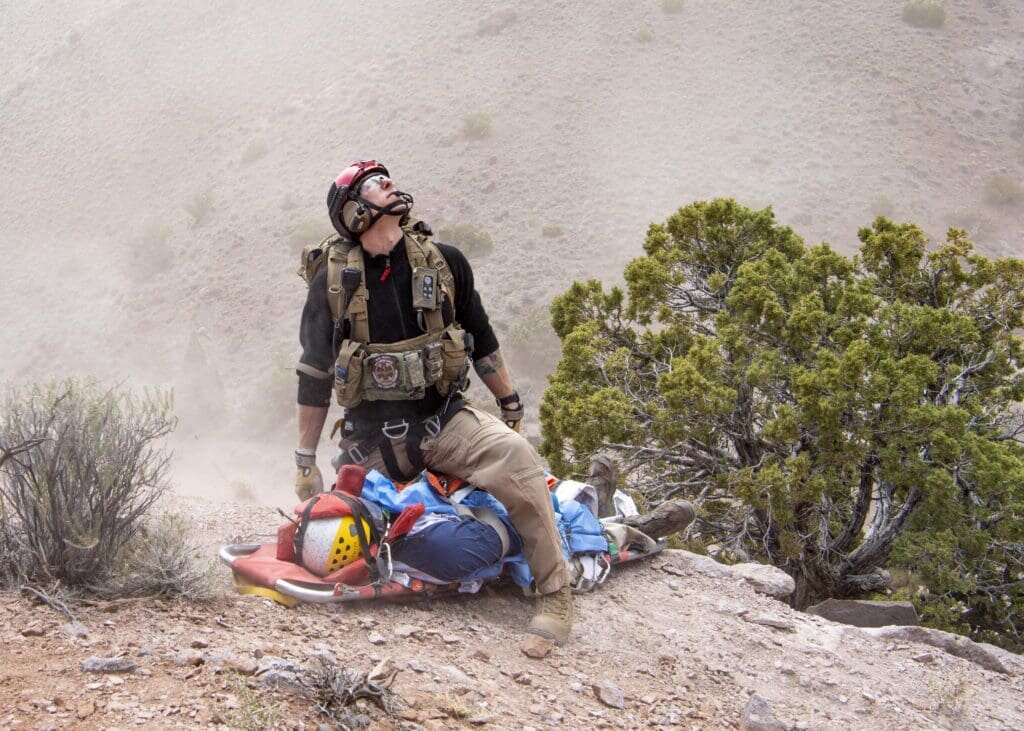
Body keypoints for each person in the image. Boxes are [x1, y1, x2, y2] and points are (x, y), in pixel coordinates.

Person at [292, 160, 573, 647]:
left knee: (515, 456)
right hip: (370, 445)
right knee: (336, 536)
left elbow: (481, 338)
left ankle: (554, 593)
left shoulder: (445, 263)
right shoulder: (332, 284)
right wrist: (303, 459)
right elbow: (314, 374)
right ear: (354, 211)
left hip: (444, 422)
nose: (391, 185)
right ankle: (469, 535)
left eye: (388, 179)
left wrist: (509, 405)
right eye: (377, 184)